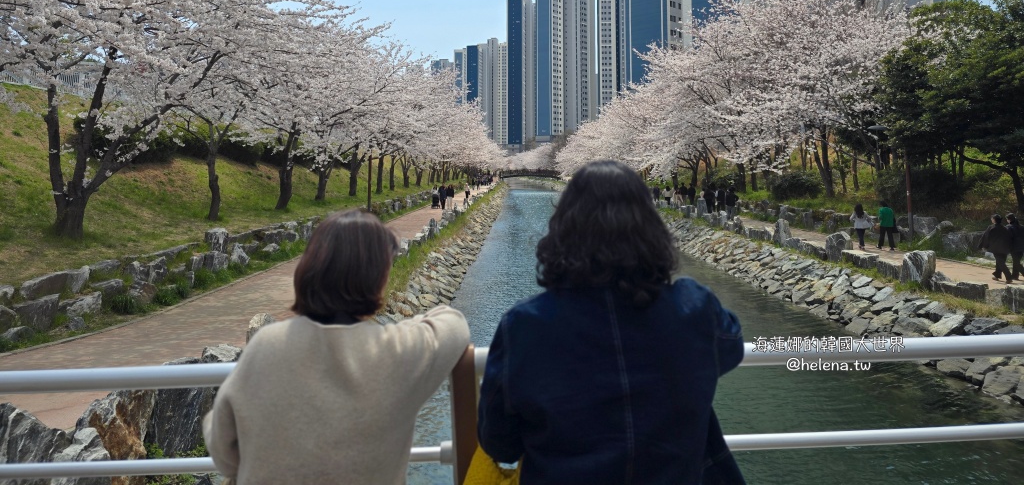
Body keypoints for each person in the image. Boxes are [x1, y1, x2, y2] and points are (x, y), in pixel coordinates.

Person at [477, 160, 745, 484]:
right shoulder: (693, 307)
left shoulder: (525, 326)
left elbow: (499, 443)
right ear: (651, 230)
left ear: (562, 229)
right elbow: (730, 348)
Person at [203, 211, 470, 485]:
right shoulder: (398, 349)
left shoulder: (266, 344)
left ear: (309, 268)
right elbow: (454, 323)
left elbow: (223, 451)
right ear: (377, 278)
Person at [981, 213, 1013, 283]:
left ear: (994, 220)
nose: (991, 220)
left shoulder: (991, 227)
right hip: (1005, 248)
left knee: (1001, 262)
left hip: (996, 248)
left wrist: (984, 246)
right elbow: (1010, 238)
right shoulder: (1005, 228)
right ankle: (997, 275)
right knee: (1000, 262)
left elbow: (986, 237)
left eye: (992, 219)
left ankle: (1009, 277)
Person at [1007, 213, 1024, 282]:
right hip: (1022, 247)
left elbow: (1008, 238)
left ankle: (1019, 273)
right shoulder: (1022, 227)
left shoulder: (1009, 227)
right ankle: (1015, 275)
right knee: (1016, 261)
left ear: (1009, 220)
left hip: (1014, 247)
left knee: (1016, 262)